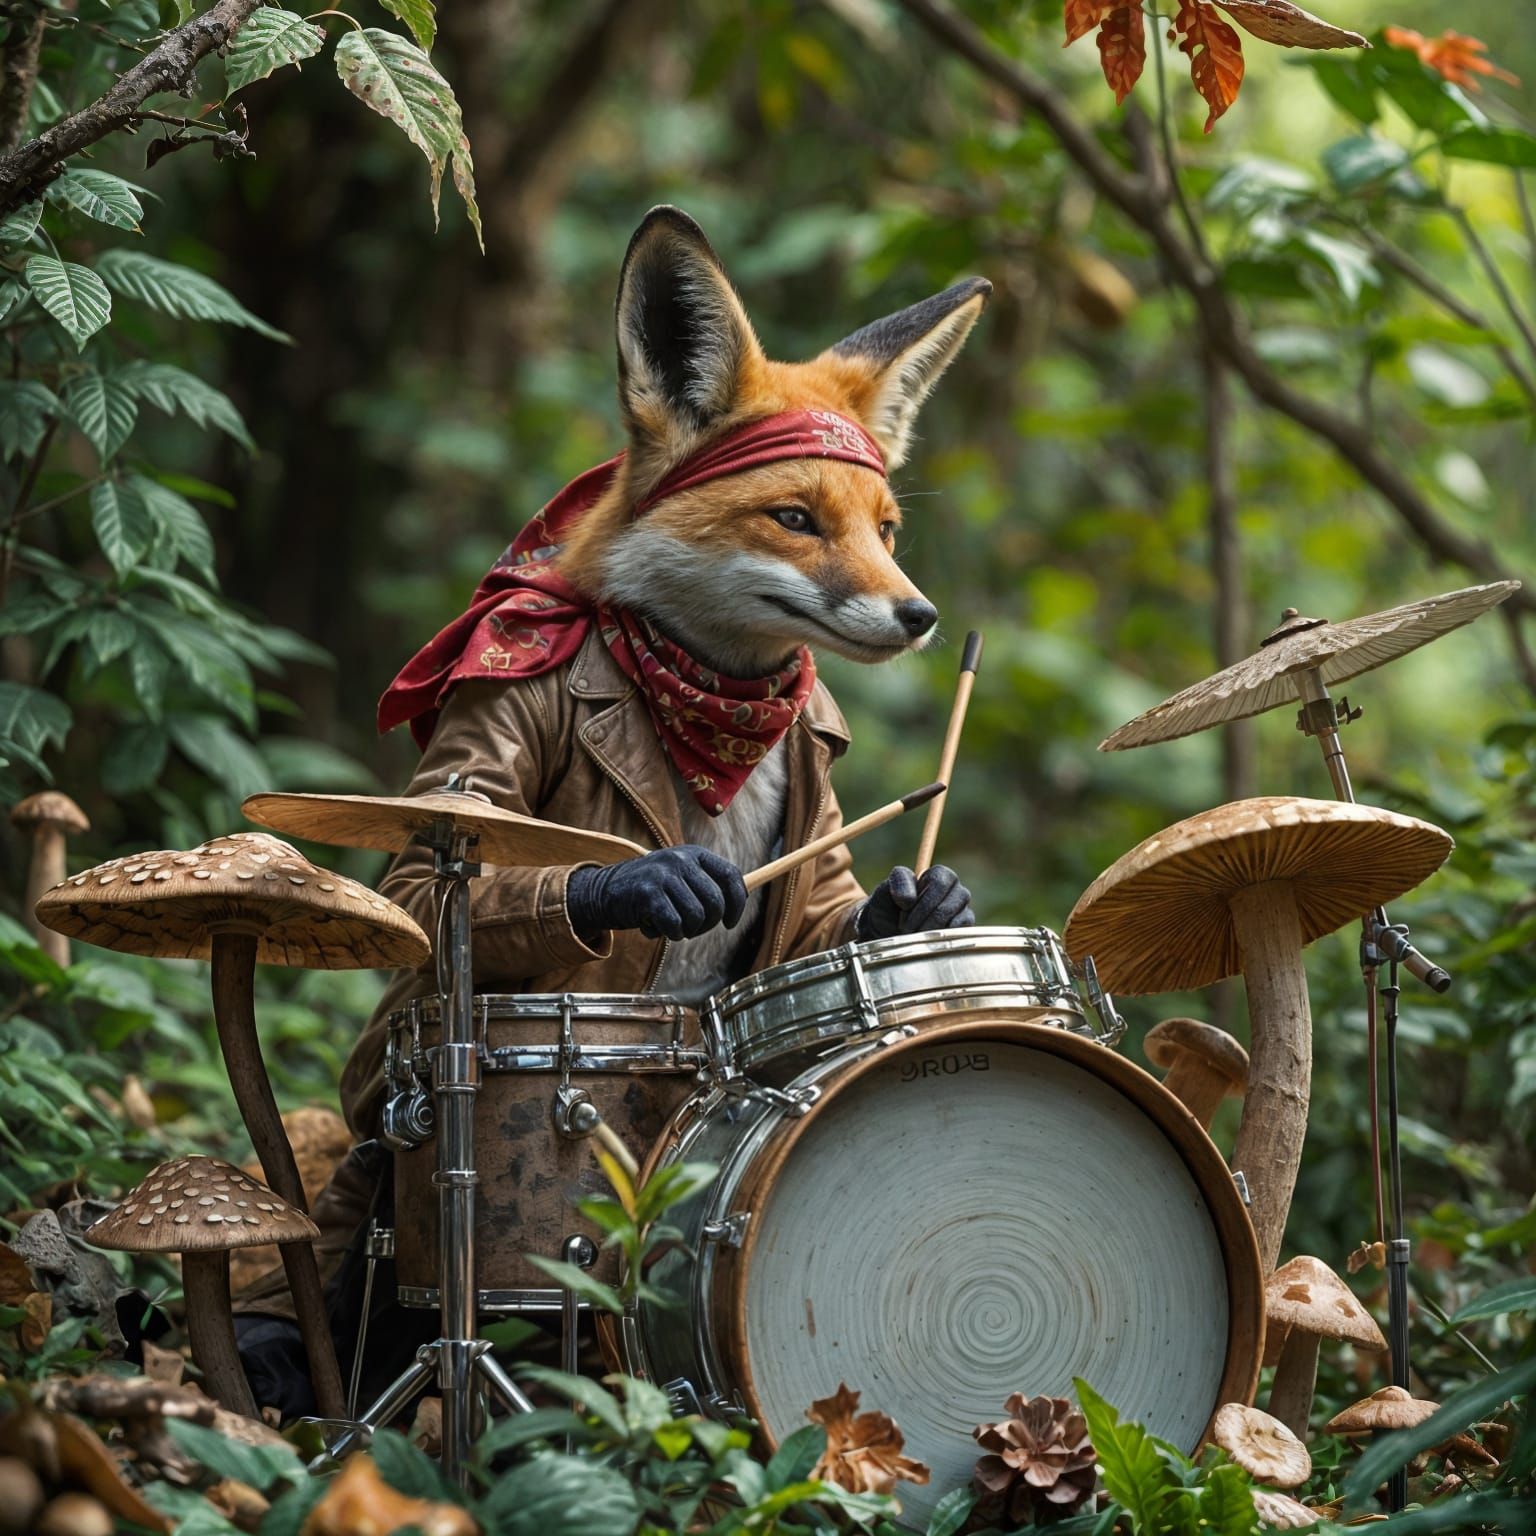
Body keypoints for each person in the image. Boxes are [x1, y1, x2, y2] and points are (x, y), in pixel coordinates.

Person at [235, 206, 987, 1416]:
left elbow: (806, 919)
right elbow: (421, 889)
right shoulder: (537, 670)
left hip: (689, 1151)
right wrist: (589, 897)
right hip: (493, 1142)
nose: (889, 590)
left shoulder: (794, 713)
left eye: (880, 531)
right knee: (319, 1366)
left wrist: (876, 933)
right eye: (800, 521)